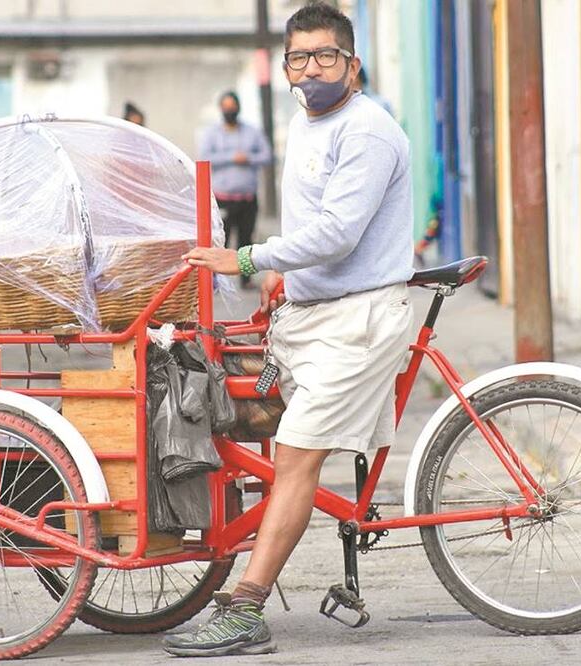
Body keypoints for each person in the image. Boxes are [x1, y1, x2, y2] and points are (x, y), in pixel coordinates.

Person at [169, 2, 414, 657]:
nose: (312, 69)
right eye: (299, 58)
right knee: (244, 412)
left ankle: (245, 608)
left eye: (325, 56)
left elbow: (337, 234)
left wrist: (248, 259)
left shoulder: (364, 130)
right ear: (284, 68)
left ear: (352, 64)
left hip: (360, 318)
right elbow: (312, 227)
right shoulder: (306, 121)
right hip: (311, 314)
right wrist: (285, 280)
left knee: (295, 457)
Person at [198, 91, 273, 286]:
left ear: (238, 107)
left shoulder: (252, 132)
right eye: (226, 107)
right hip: (223, 198)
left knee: (246, 240)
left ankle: (245, 279)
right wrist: (232, 157)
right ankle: (214, 281)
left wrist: (248, 158)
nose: (230, 110)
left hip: (247, 198)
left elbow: (267, 155)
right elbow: (205, 157)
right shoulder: (212, 133)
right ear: (221, 109)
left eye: (233, 107)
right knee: (220, 241)